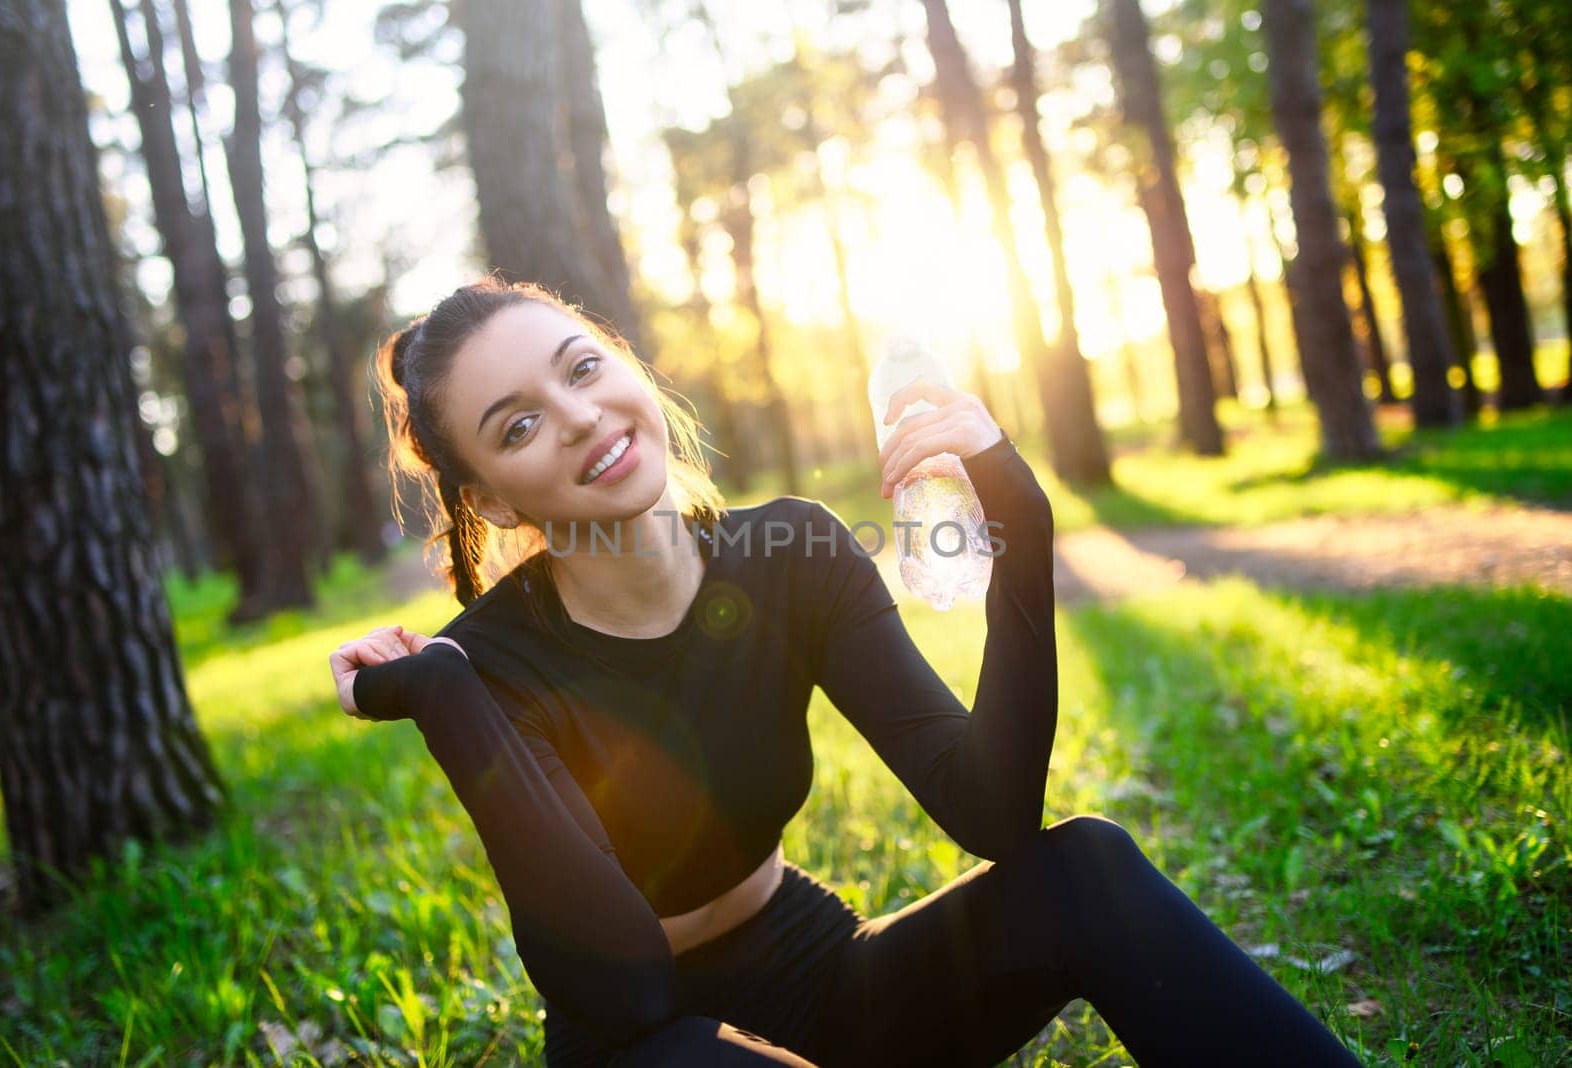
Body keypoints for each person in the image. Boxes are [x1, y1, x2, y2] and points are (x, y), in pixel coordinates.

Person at [327, 276, 1362, 1066]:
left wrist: (1024, 535)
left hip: (820, 967)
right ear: (495, 501)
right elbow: (626, 996)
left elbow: (991, 813)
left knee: (1081, 866)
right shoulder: (494, 669)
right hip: (658, 1051)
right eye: (519, 424)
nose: (582, 416)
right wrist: (446, 694)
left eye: (583, 367)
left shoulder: (794, 553)